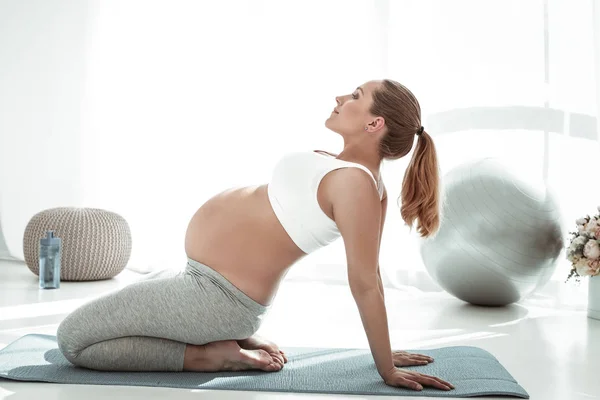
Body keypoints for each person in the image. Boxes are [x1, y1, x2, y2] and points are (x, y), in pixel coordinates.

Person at [56, 79, 453, 392]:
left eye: (355, 94)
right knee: (132, 304)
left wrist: (384, 364)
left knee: (72, 341)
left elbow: (367, 280)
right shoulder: (347, 170)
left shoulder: (358, 186)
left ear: (374, 123)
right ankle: (240, 337)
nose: (339, 96)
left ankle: (207, 358)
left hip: (215, 298)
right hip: (202, 283)